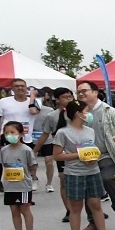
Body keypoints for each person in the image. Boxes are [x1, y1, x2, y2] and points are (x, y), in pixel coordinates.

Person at [52, 100, 111, 230]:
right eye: (86, 111)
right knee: (76, 208)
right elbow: (57, 156)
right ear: (78, 113)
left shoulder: (90, 131)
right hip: (74, 174)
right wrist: (79, 155)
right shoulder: (62, 132)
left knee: (96, 205)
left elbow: (93, 149)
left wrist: (93, 157)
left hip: (92, 172)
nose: (89, 114)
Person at [75, 80, 115, 230]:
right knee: (88, 187)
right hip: (85, 157)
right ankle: (93, 221)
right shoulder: (77, 112)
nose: (81, 94)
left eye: (84, 91)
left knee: (107, 178)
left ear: (95, 92)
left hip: (106, 154)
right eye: (78, 92)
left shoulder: (109, 111)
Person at [33, 88, 75, 221]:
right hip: (61, 152)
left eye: (70, 97)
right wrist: (34, 150)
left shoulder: (80, 113)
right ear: (57, 99)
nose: (69, 99)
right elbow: (45, 134)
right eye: (65, 97)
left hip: (79, 151)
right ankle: (69, 210)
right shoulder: (52, 116)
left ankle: (91, 210)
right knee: (63, 180)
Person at [0, 121, 38, 230]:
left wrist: (31, 177)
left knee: (25, 209)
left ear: (21, 134)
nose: (9, 135)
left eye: (12, 132)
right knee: (14, 210)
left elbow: (32, 165)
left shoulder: (26, 150)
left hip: (23, 186)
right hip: (10, 186)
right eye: (6, 133)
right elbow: (4, 166)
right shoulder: (4, 150)